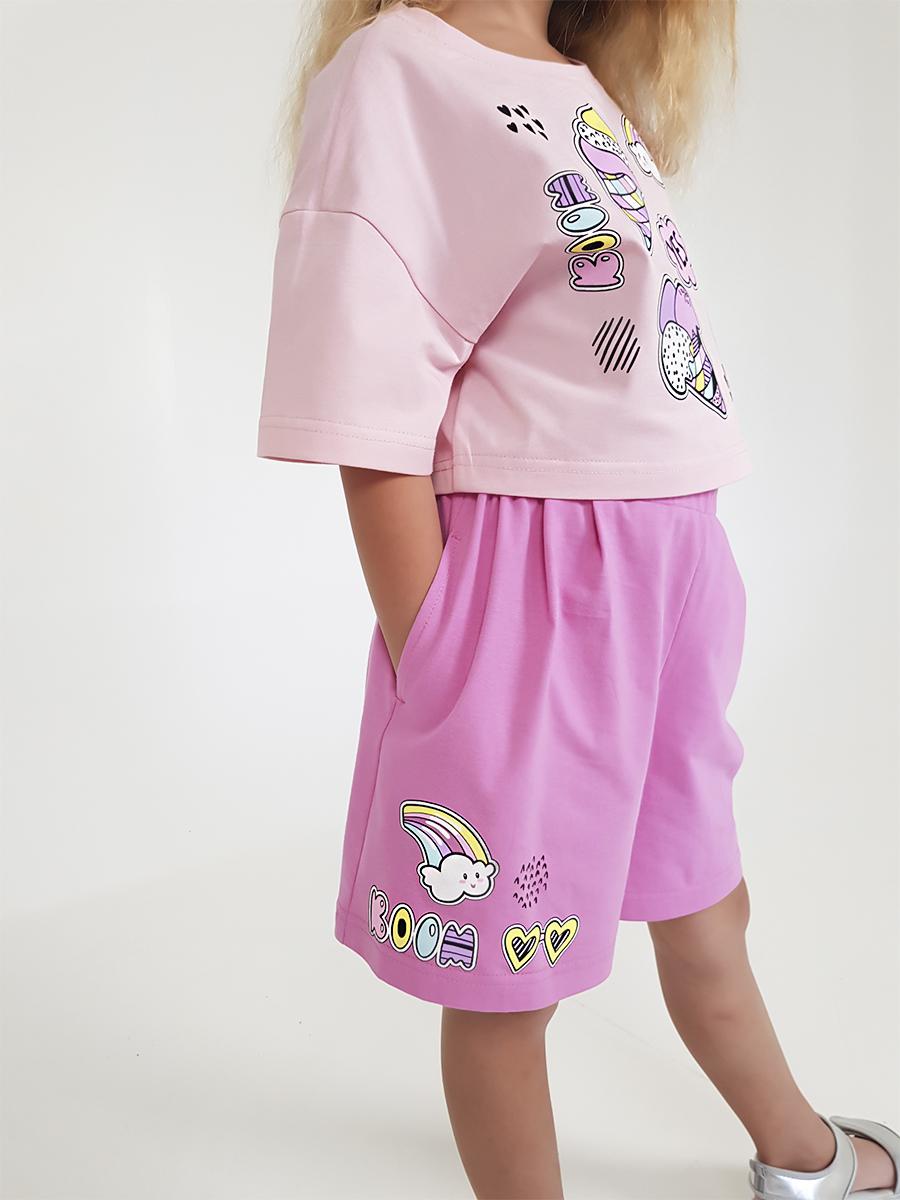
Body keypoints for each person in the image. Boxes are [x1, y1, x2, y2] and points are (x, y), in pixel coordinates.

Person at [255, 2, 899, 1196]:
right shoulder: (400, 66)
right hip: (536, 585)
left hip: (672, 564)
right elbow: (368, 404)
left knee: (706, 895)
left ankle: (800, 1156)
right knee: (512, 973)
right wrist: (437, 652)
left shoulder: (574, 80)